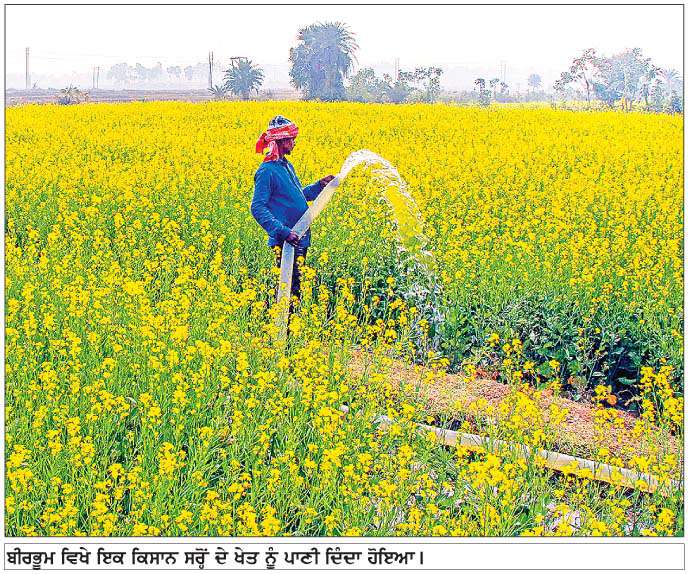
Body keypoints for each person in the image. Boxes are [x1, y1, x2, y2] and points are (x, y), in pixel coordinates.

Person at [251, 115, 335, 302]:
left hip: (298, 238)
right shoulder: (267, 171)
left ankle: (290, 319)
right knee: (287, 291)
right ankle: (282, 320)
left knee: (295, 290)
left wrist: (319, 186)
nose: (294, 143)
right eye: (291, 139)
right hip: (286, 242)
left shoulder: (286, 165)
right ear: (281, 141)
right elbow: (257, 207)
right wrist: (283, 232)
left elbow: (295, 197)